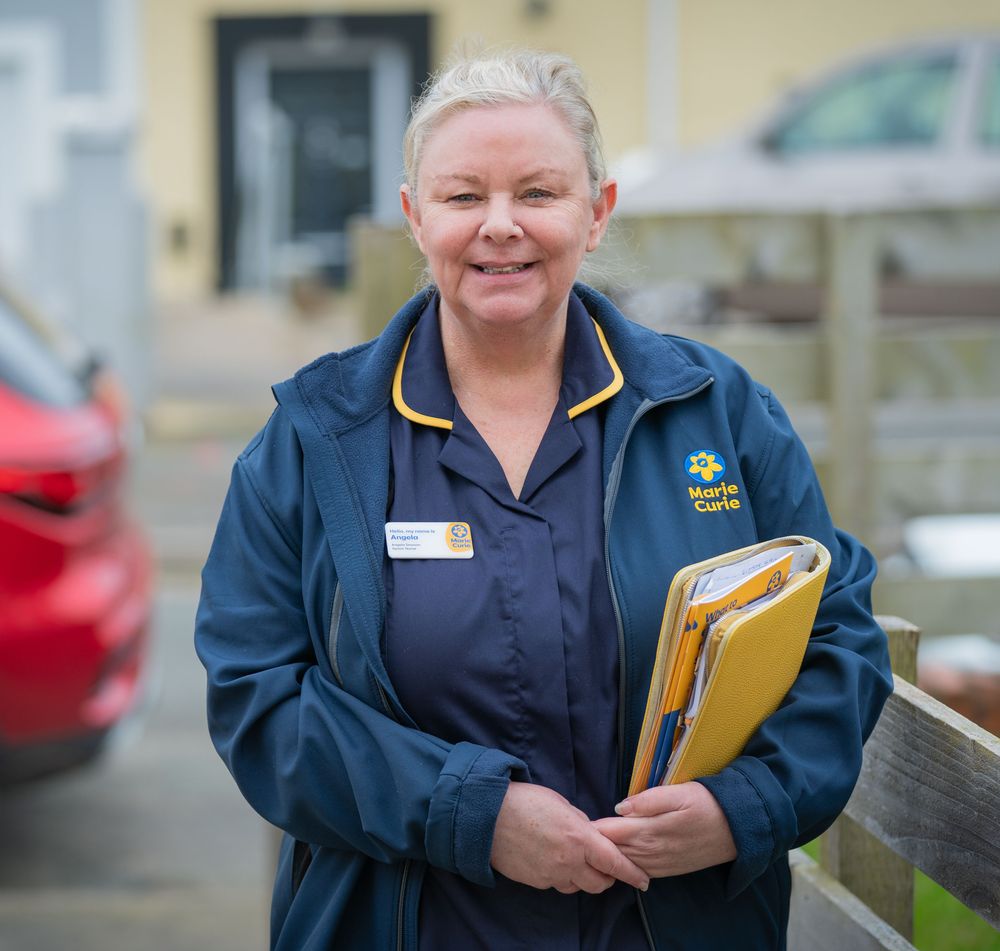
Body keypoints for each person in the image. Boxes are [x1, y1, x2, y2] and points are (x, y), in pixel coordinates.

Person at [195, 48, 893, 951]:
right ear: (415, 218)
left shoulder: (715, 413)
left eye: (537, 192)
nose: (500, 227)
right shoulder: (317, 441)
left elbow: (836, 633)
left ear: (596, 213)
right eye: (462, 197)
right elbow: (258, 696)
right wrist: (470, 813)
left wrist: (744, 805)